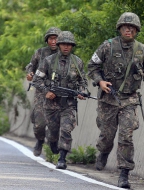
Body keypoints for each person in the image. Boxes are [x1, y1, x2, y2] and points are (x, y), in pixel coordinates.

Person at [87, 12, 144, 188]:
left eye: (132, 27)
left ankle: (124, 174)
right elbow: (92, 67)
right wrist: (100, 81)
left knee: (126, 136)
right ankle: (103, 152)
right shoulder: (107, 46)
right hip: (108, 100)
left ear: (136, 30)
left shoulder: (142, 49)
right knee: (107, 136)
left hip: (129, 100)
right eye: (125, 27)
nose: (128, 29)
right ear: (120, 28)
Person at [33, 31, 88, 169]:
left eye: (69, 45)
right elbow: (37, 80)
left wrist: (82, 92)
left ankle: (62, 158)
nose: (66, 47)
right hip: (51, 105)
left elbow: (83, 82)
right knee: (52, 133)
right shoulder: (48, 61)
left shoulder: (78, 62)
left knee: (66, 130)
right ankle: (53, 146)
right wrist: (47, 91)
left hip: (68, 104)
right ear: (58, 45)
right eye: (63, 44)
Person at [25, 27, 61, 156]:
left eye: (56, 38)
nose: (53, 41)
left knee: (55, 124)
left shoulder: (64, 54)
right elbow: (30, 65)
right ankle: (40, 140)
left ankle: (53, 142)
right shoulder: (40, 53)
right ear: (47, 40)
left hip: (58, 93)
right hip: (41, 92)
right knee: (39, 123)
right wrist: (30, 73)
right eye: (51, 38)